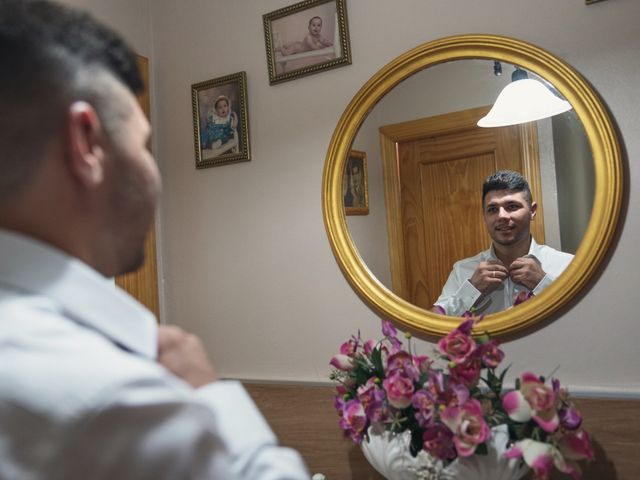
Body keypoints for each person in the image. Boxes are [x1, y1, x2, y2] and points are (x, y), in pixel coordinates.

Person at [0, 1, 309, 479]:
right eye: (143, 145)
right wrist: (208, 392)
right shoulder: (112, 397)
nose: (153, 172)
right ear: (86, 144)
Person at [432, 170, 574, 316]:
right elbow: (432, 323)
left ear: (532, 211)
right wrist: (472, 289)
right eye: (492, 209)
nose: (502, 216)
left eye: (512, 206)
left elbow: (585, 320)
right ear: (484, 217)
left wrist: (543, 284)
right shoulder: (462, 271)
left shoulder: (566, 265)